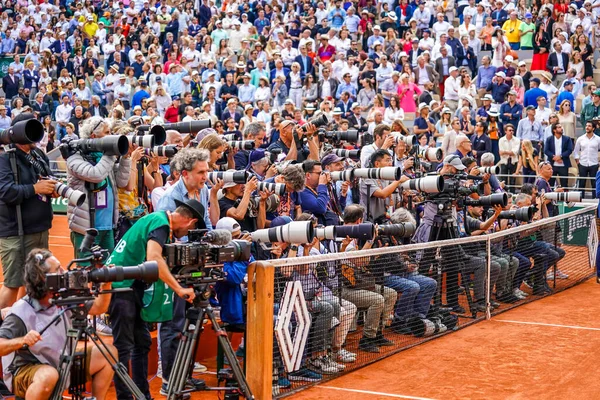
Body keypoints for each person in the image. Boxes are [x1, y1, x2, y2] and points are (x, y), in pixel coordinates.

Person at [107, 200, 199, 400]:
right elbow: (153, 258)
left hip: (128, 285)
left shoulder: (156, 218)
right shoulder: (161, 223)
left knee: (142, 343)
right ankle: (125, 397)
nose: (186, 234)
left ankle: (143, 395)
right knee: (123, 347)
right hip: (120, 287)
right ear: (190, 222)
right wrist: (179, 288)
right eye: (191, 228)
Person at [0, 249, 115, 400]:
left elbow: (99, 308)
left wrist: (106, 285)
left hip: (60, 361)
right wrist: (22, 341)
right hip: (26, 370)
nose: (64, 272)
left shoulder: (65, 295)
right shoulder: (21, 311)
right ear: (44, 279)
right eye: (58, 270)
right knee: (48, 375)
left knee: (107, 353)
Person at [0, 115, 55, 309]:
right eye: (29, 128)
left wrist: (52, 187)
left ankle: (21, 319)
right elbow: (5, 192)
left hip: (40, 228)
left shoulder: (39, 154)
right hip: (15, 232)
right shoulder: (5, 157)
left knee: (34, 281)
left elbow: (48, 177)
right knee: (13, 284)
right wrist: (35, 188)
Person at [573, 121, 600, 198]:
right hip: (582, 163)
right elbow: (576, 151)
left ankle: (595, 199)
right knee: (582, 183)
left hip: (594, 163)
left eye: (589, 126)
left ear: (593, 128)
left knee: (594, 182)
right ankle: (581, 198)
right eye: (586, 126)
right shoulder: (580, 139)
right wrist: (577, 161)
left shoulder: (598, 139)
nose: (587, 127)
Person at [543, 122, 572, 188]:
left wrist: (560, 157)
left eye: (561, 127)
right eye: (559, 127)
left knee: (564, 184)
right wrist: (554, 157)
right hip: (552, 165)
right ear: (554, 130)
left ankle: (564, 197)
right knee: (550, 184)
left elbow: (569, 150)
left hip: (563, 164)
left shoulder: (567, 139)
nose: (561, 128)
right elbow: (546, 150)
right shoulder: (549, 139)